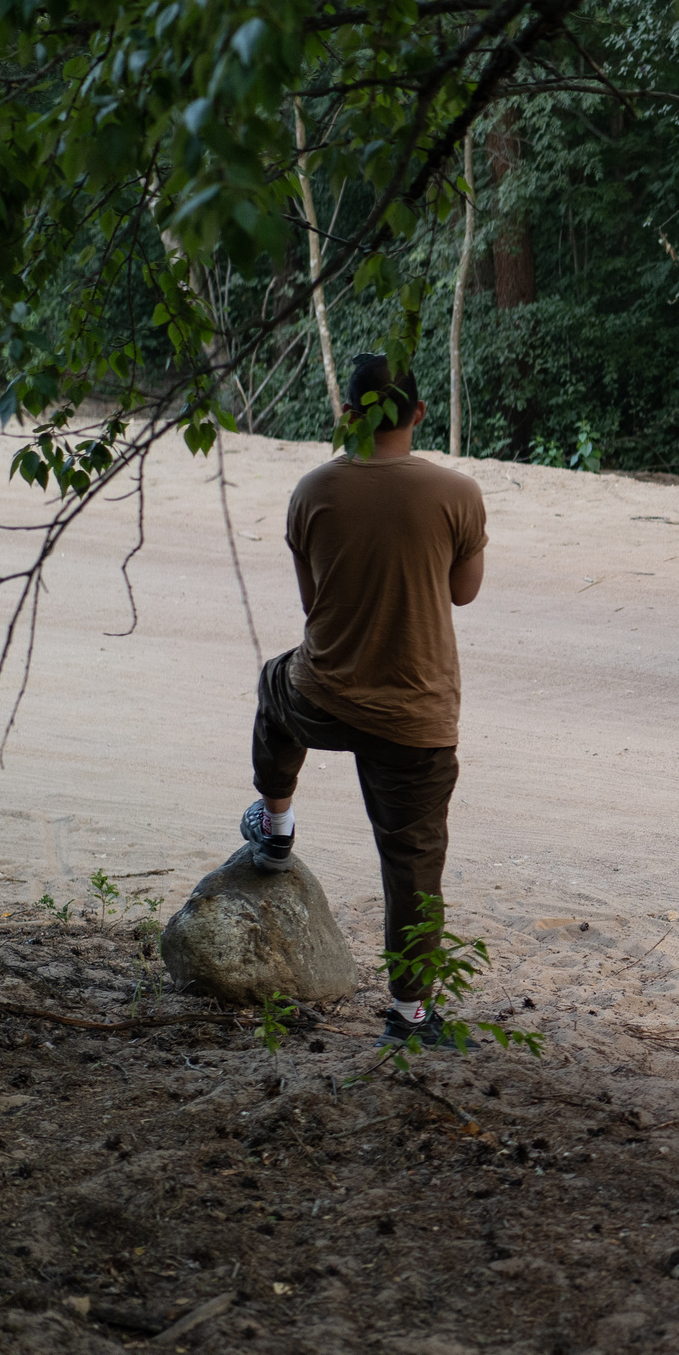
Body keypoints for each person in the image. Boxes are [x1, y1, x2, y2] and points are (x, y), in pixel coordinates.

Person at [239, 353, 488, 1046]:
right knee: (412, 861)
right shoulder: (457, 494)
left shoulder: (313, 490)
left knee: (273, 685)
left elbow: (313, 601)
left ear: (348, 414)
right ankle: (410, 1015)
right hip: (418, 714)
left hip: (324, 694)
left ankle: (277, 825)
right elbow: (463, 592)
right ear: (419, 414)